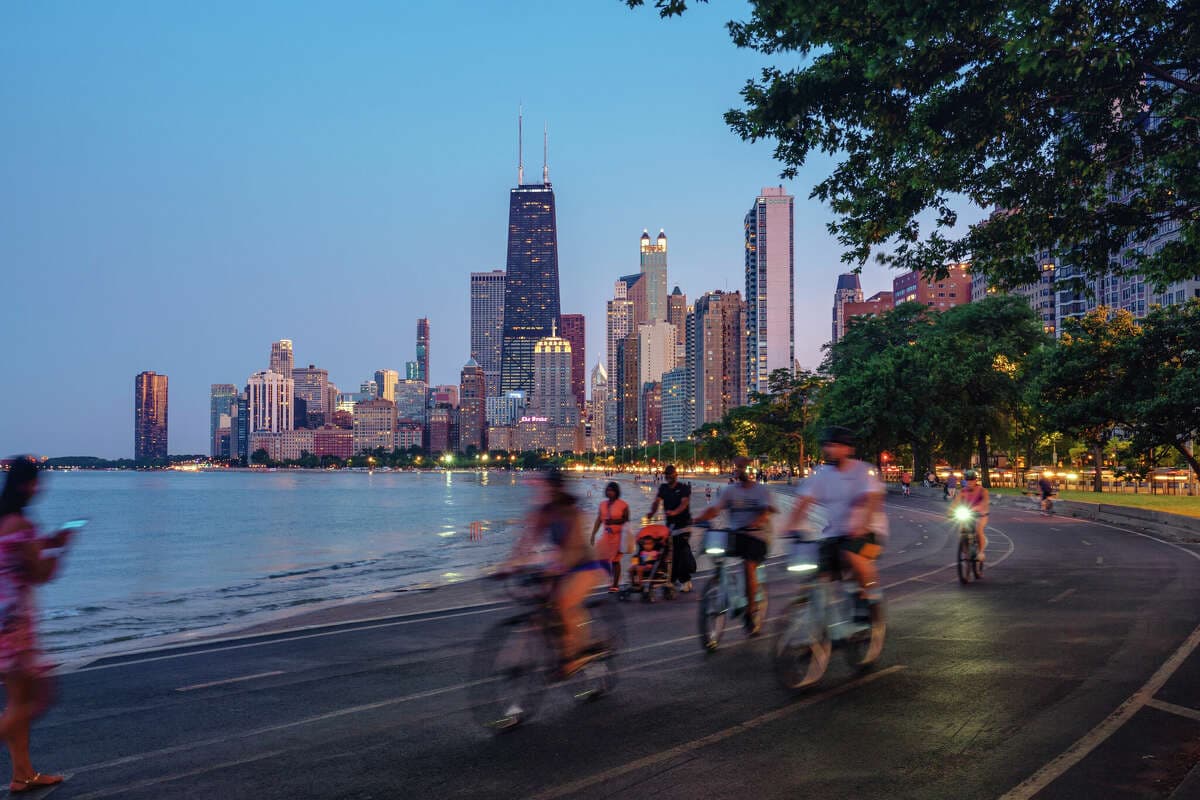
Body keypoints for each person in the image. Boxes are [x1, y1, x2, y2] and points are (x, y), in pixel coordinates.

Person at [0, 458, 74, 794]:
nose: (39, 488)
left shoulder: (6, 521)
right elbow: (41, 575)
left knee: (18, 701)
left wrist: (49, 543)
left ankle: (22, 775)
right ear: (25, 485)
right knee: (39, 697)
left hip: (5, 620)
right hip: (14, 624)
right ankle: (22, 774)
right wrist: (62, 552)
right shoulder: (22, 524)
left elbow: (14, 551)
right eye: (35, 482)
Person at [783, 427, 886, 636]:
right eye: (827, 445)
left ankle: (869, 596)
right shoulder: (821, 474)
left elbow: (873, 499)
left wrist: (864, 523)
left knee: (852, 555)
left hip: (870, 533)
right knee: (816, 572)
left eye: (836, 445)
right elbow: (803, 501)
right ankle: (823, 625)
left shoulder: (864, 471)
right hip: (835, 534)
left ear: (848, 449)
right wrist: (789, 525)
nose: (830, 449)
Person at [506, 469, 607, 678]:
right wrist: (508, 566)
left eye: (549, 487)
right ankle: (563, 647)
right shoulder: (543, 513)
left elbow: (573, 547)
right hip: (561, 566)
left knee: (564, 603)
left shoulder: (573, 513)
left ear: (558, 488)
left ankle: (575, 655)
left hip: (584, 566)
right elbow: (526, 543)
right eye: (544, 487)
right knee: (543, 609)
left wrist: (554, 569)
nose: (545, 491)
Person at [695, 456, 777, 634]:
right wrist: (697, 519)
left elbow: (766, 511)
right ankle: (721, 584)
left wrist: (756, 522)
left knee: (749, 565)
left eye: (742, 467)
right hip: (736, 535)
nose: (739, 470)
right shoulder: (729, 491)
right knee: (715, 553)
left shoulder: (761, 491)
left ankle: (750, 612)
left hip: (758, 537)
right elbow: (715, 509)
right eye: (737, 467)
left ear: (750, 470)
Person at [647, 465, 695, 592]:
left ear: (676, 474)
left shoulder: (683, 488)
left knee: (679, 551)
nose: (668, 476)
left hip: (684, 525)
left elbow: (684, 503)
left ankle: (685, 580)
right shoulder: (663, 488)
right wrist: (651, 513)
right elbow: (656, 502)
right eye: (666, 474)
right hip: (670, 526)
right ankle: (671, 579)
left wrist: (675, 512)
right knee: (667, 552)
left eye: (670, 474)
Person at [590, 482, 629, 592]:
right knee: (599, 556)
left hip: (618, 536)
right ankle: (612, 577)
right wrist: (593, 534)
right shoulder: (602, 504)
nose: (609, 492)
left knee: (615, 561)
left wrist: (614, 521)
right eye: (608, 490)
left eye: (611, 490)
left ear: (616, 492)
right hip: (606, 536)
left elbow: (626, 519)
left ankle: (615, 584)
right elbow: (599, 520)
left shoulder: (623, 504)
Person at [955, 469, 990, 561]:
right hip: (968, 513)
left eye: (972, 480)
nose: (970, 482)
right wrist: (950, 512)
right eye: (968, 480)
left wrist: (979, 509)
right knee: (961, 531)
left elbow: (984, 503)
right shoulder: (962, 491)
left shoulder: (983, 491)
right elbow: (956, 503)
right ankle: (966, 552)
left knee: (979, 531)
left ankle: (981, 552)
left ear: (976, 480)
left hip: (981, 514)